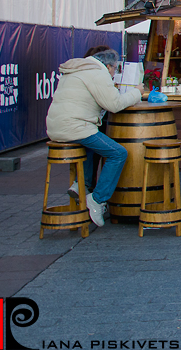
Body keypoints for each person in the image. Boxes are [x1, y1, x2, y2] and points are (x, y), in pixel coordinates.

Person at [45, 48, 143, 227]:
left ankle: (81, 184)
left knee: (92, 143)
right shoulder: (98, 72)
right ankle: (97, 200)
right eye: (115, 69)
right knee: (118, 153)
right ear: (108, 66)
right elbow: (115, 104)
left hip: (56, 126)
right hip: (75, 127)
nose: (114, 73)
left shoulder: (79, 68)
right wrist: (137, 92)